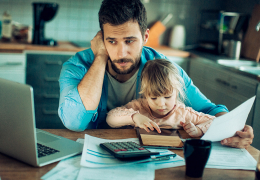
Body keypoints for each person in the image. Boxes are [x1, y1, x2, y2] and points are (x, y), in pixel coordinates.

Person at [58, 0, 253, 149]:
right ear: (101, 38)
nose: (121, 53)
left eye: (130, 41)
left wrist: (232, 130)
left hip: (145, 154)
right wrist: (100, 57)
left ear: (145, 37)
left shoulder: (163, 69)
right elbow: (74, 122)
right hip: (92, 153)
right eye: (112, 41)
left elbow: (209, 110)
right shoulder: (78, 66)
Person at [106, 59, 215, 138]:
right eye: (153, 98)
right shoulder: (139, 107)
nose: (161, 104)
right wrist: (134, 117)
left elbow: (215, 121)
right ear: (145, 94)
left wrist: (199, 130)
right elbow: (110, 118)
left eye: (167, 97)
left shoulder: (183, 114)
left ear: (176, 93)